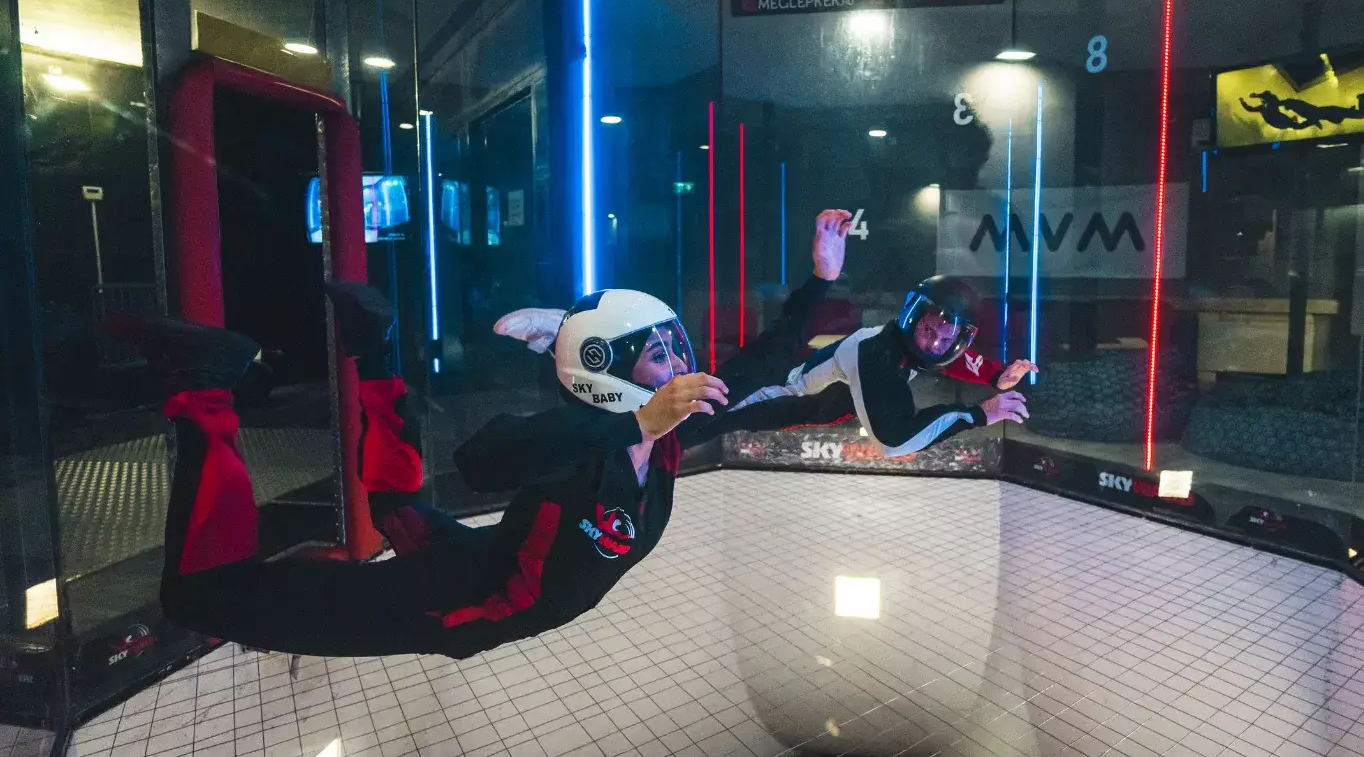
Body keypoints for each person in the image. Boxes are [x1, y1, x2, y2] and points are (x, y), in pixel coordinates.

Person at [107, 211, 854, 659]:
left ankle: (373, 347)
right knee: (199, 600)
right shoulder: (593, 447)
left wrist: (821, 280)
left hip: (477, 561)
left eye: (676, 348)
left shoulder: (664, 437)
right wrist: (631, 416)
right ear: (609, 374)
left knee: (393, 499)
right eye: (661, 355)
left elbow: (761, 364)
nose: (684, 368)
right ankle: (205, 388)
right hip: (461, 603)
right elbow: (486, 459)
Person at [501, 273, 1037, 458]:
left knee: (650, 425)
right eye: (928, 325)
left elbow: (952, 358)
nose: (934, 336)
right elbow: (896, 439)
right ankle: (571, 337)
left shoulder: (914, 347)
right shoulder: (877, 356)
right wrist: (980, 413)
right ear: (912, 317)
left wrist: (995, 374)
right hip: (767, 395)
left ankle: (571, 340)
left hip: (773, 387)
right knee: (658, 432)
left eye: (945, 331)